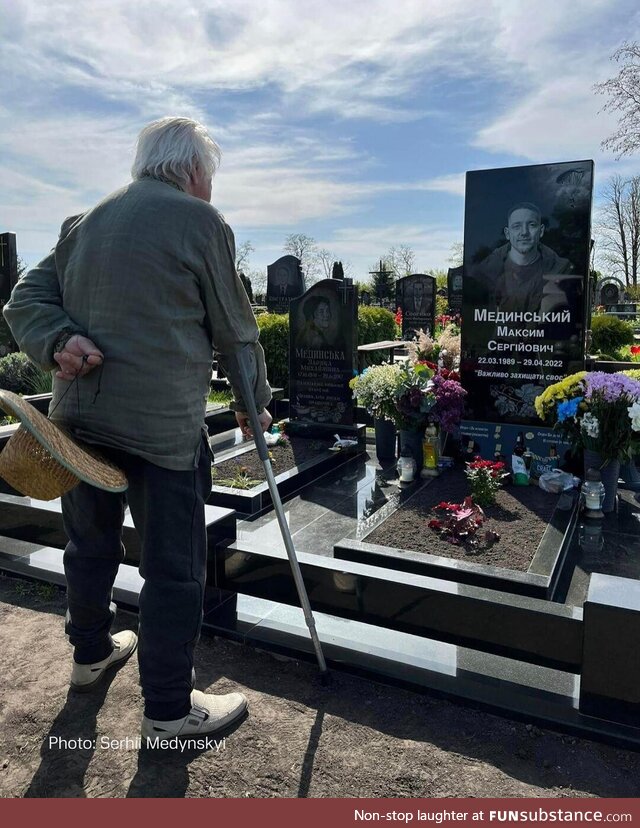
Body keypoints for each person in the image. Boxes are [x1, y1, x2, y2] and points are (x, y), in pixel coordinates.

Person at [2, 116, 272, 742]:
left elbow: (24, 299)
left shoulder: (85, 220)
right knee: (174, 569)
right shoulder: (202, 221)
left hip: (79, 426)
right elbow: (234, 328)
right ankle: (170, 712)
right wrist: (252, 401)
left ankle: (90, 654)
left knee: (89, 547)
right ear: (193, 172)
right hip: (162, 429)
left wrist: (59, 341)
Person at [471, 202, 574, 314]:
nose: (524, 232)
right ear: (507, 233)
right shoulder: (487, 270)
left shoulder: (561, 269)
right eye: (517, 226)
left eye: (532, 225)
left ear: (541, 231)